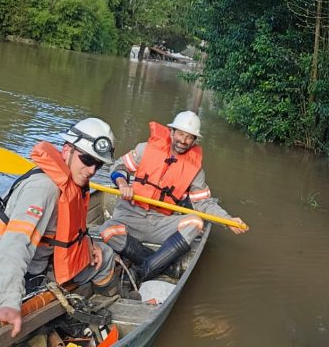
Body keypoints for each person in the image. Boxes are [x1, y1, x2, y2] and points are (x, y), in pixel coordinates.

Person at [0, 118, 118, 337]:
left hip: (37, 263)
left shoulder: (69, 182)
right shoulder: (44, 188)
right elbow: (14, 245)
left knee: (99, 250)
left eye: (98, 164)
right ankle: (113, 305)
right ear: (66, 150)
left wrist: (87, 243)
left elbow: (65, 230)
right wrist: (9, 302)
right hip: (15, 275)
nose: (91, 170)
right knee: (107, 255)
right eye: (86, 159)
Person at [99, 111, 248, 282]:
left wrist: (227, 220)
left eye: (189, 137)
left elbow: (203, 203)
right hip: (131, 214)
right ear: (171, 132)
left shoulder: (196, 171)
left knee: (195, 223)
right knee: (106, 230)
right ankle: (168, 268)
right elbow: (118, 167)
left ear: (194, 141)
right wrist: (123, 184)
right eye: (181, 134)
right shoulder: (144, 149)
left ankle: (141, 272)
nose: (183, 141)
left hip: (160, 221)